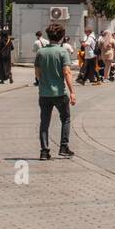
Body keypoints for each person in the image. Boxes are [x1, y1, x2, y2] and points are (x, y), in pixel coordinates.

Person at [35, 23, 76, 159]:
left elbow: (37, 73)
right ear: (61, 37)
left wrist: (44, 82)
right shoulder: (62, 52)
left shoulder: (40, 52)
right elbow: (67, 72)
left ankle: (44, 151)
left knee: (44, 122)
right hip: (59, 93)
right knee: (66, 118)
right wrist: (72, 92)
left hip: (44, 93)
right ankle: (64, 146)